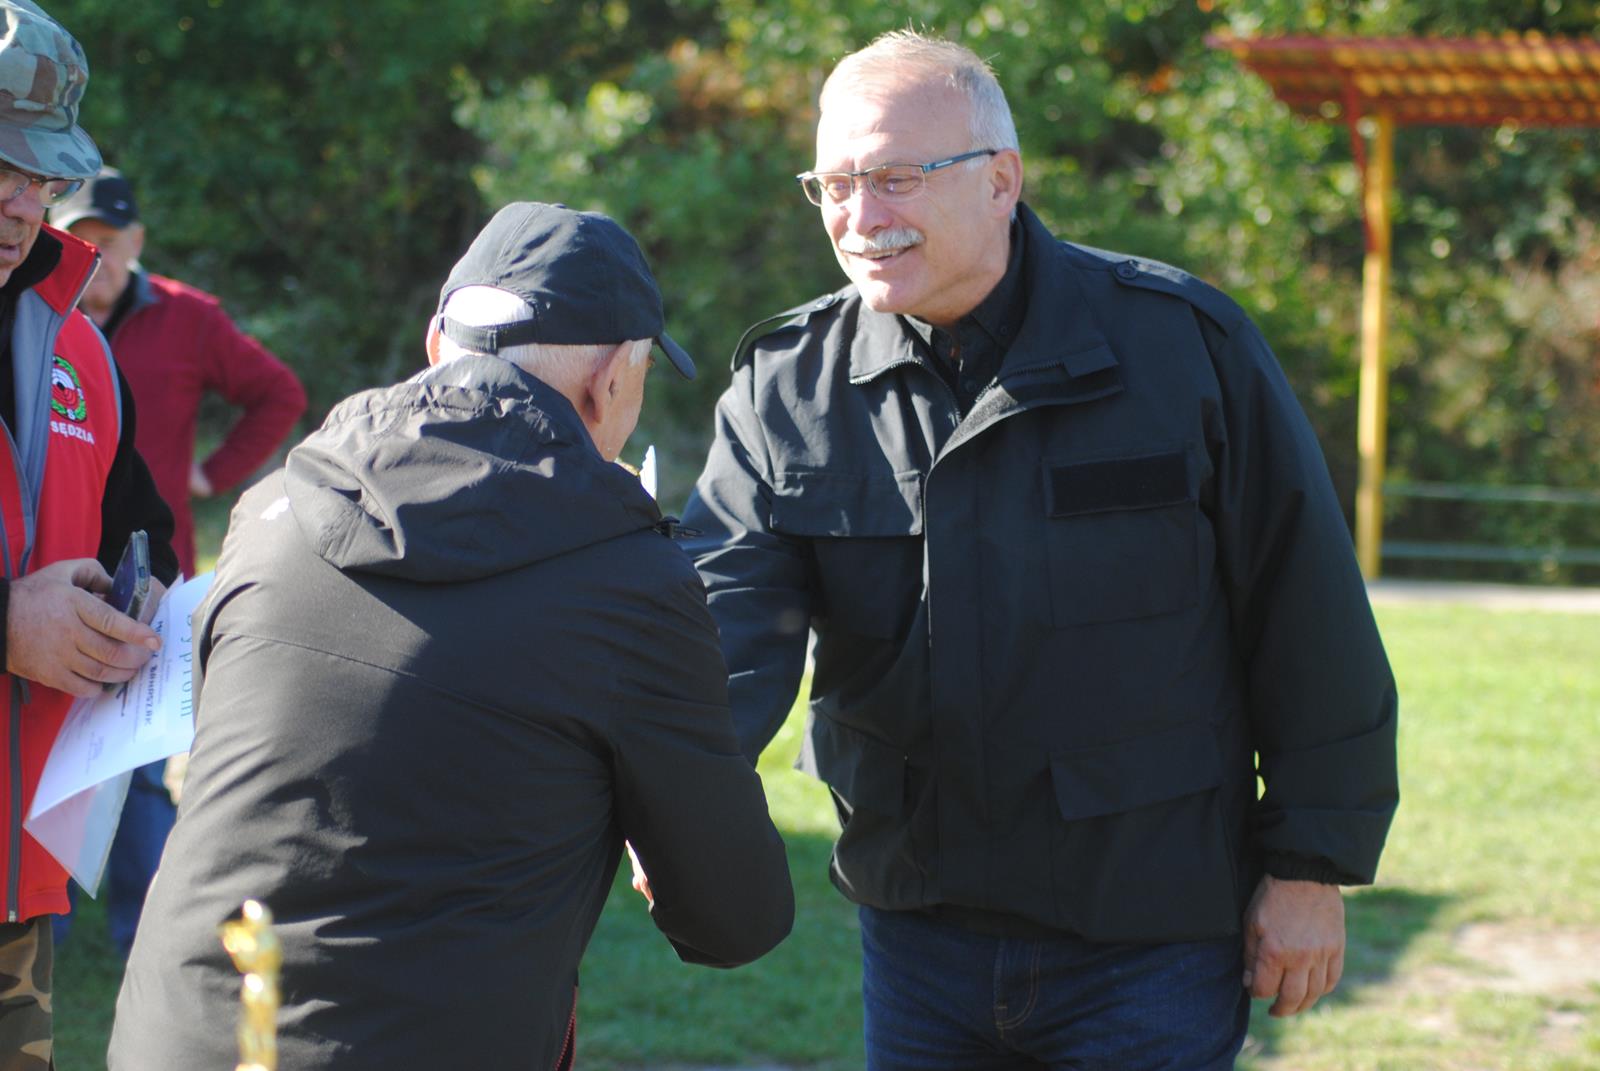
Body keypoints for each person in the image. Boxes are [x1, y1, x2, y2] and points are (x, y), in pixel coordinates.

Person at [681, 30, 1399, 1071]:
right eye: (834, 183)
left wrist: (1309, 865)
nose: (860, 218)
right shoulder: (789, 386)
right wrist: (682, 795)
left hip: (1146, 933)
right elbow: (720, 627)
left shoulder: (1178, 349)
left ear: (1000, 181)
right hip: (918, 932)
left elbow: (1307, 612)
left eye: (894, 178)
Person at [109, 201, 795, 1071]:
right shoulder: (631, 584)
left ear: (440, 344)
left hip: (182, 1035)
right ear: (616, 374)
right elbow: (737, 916)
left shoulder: (270, 510)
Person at [45, 166, 306, 959]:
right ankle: (39, 925)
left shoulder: (189, 318)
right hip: (47, 576)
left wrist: (210, 475)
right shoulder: (34, 318)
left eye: (112, 239)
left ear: (137, 241)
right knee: (44, 759)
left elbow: (279, 393)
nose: (98, 253)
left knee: (144, 768)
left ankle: (146, 938)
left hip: (149, 578)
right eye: (82, 236)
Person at [0, 1, 179, 1066]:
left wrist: (142, 616)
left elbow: (139, 541)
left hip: (17, 892)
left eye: (42, 176)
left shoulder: (77, 349)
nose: (22, 204)